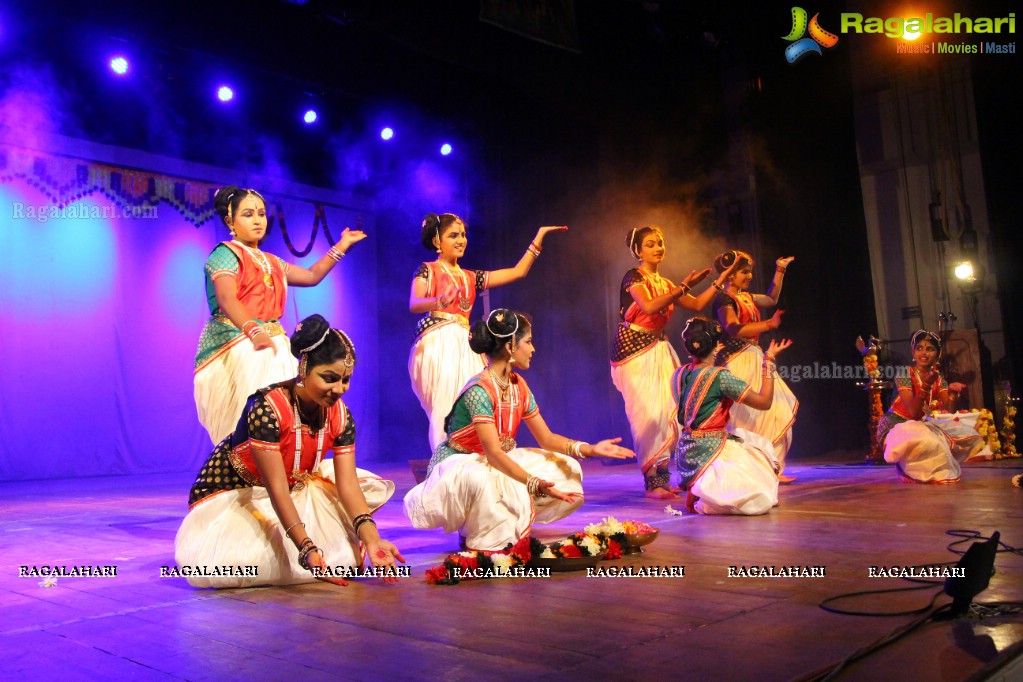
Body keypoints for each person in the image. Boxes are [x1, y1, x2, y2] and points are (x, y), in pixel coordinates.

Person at [176, 314, 403, 588]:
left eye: (345, 380)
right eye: (329, 378)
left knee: (343, 558)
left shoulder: (342, 417)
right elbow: (277, 490)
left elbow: (348, 485)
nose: (338, 389)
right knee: (247, 566)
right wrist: (306, 548)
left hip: (294, 488)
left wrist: (372, 539)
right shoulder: (266, 409)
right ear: (304, 368)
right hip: (240, 495)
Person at [404, 309, 635, 551]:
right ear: (511, 346)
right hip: (463, 464)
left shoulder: (519, 386)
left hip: (496, 460)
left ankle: (507, 516)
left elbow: (547, 438)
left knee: (568, 469)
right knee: (483, 479)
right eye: (528, 342)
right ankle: (476, 529)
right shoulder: (479, 390)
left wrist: (590, 449)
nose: (533, 349)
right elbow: (492, 453)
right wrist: (533, 482)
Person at [194, 186, 367, 444]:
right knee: (250, 420)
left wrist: (341, 246)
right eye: (248, 214)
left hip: (275, 345)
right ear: (230, 221)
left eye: (261, 214)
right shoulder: (225, 253)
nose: (257, 220)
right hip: (240, 344)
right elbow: (227, 298)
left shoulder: (272, 261)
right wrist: (254, 331)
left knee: (285, 417)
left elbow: (311, 276)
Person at [408, 212, 566, 450]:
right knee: (445, 406)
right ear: (437, 241)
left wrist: (539, 237)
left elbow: (517, 272)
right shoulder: (427, 270)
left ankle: (477, 460)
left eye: (463, 235)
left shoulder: (472, 277)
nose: (461, 240)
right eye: (453, 236)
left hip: (466, 345)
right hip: (436, 344)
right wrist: (438, 301)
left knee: (472, 403)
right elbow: (414, 303)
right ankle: (446, 464)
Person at [611, 226, 739, 499]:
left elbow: (695, 304)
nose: (658, 248)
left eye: (660, 243)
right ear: (638, 250)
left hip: (658, 348)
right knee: (649, 415)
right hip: (633, 352)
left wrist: (720, 280)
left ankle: (663, 479)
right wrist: (683, 287)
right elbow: (648, 307)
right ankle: (652, 483)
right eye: (650, 244)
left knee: (670, 413)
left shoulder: (666, 283)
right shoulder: (634, 277)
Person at [672, 317, 792, 515]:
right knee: (758, 493)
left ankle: (697, 486)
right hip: (712, 450)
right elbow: (764, 402)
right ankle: (704, 490)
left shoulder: (678, 373)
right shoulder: (720, 376)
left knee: (749, 447)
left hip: (686, 451)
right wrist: (768, 360)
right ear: (717, 346)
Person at [712, 250, 799, 482]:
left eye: (750, 271)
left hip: (755, 355)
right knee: (747, 417)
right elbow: (732, 327)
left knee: (777, 409)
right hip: (736, 359)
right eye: (744, 272)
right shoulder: (724, 299)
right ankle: (749, 467)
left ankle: (773, 467)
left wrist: (780, 269)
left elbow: (771, 299)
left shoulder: (747, 297)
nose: (749, 276)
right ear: (729, 275)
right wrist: (768, 324)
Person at [876, 330, 983, 483]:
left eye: (930, 349)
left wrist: (953, 394)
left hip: (918, 425)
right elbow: (913, 412)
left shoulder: (939, 379)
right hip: (895, 425)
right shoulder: (904, 374)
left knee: (964, 434)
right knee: (928, 440)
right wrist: (925, 385)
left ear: (938, 354)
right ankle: (907, 468)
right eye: (919, 348)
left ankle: (920, 471)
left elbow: (950, 409)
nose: (924, 353)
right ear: (913, 351)